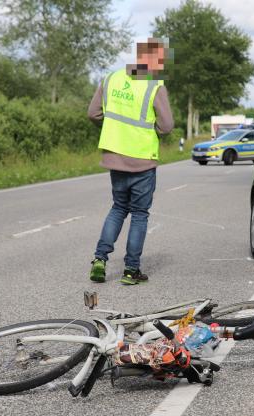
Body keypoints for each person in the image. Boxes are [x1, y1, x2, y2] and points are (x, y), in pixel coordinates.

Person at [87, 38, 174, 285]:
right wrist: (150, 130)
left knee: (117, 208)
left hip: (115, 157)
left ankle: (100, 259)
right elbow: (167, 126)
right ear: (156, 61)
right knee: (139, 213)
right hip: (142, 159)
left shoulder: (111, 78)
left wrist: (114, 128)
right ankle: (131, 270)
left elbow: (92, 113)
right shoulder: (154, 86)